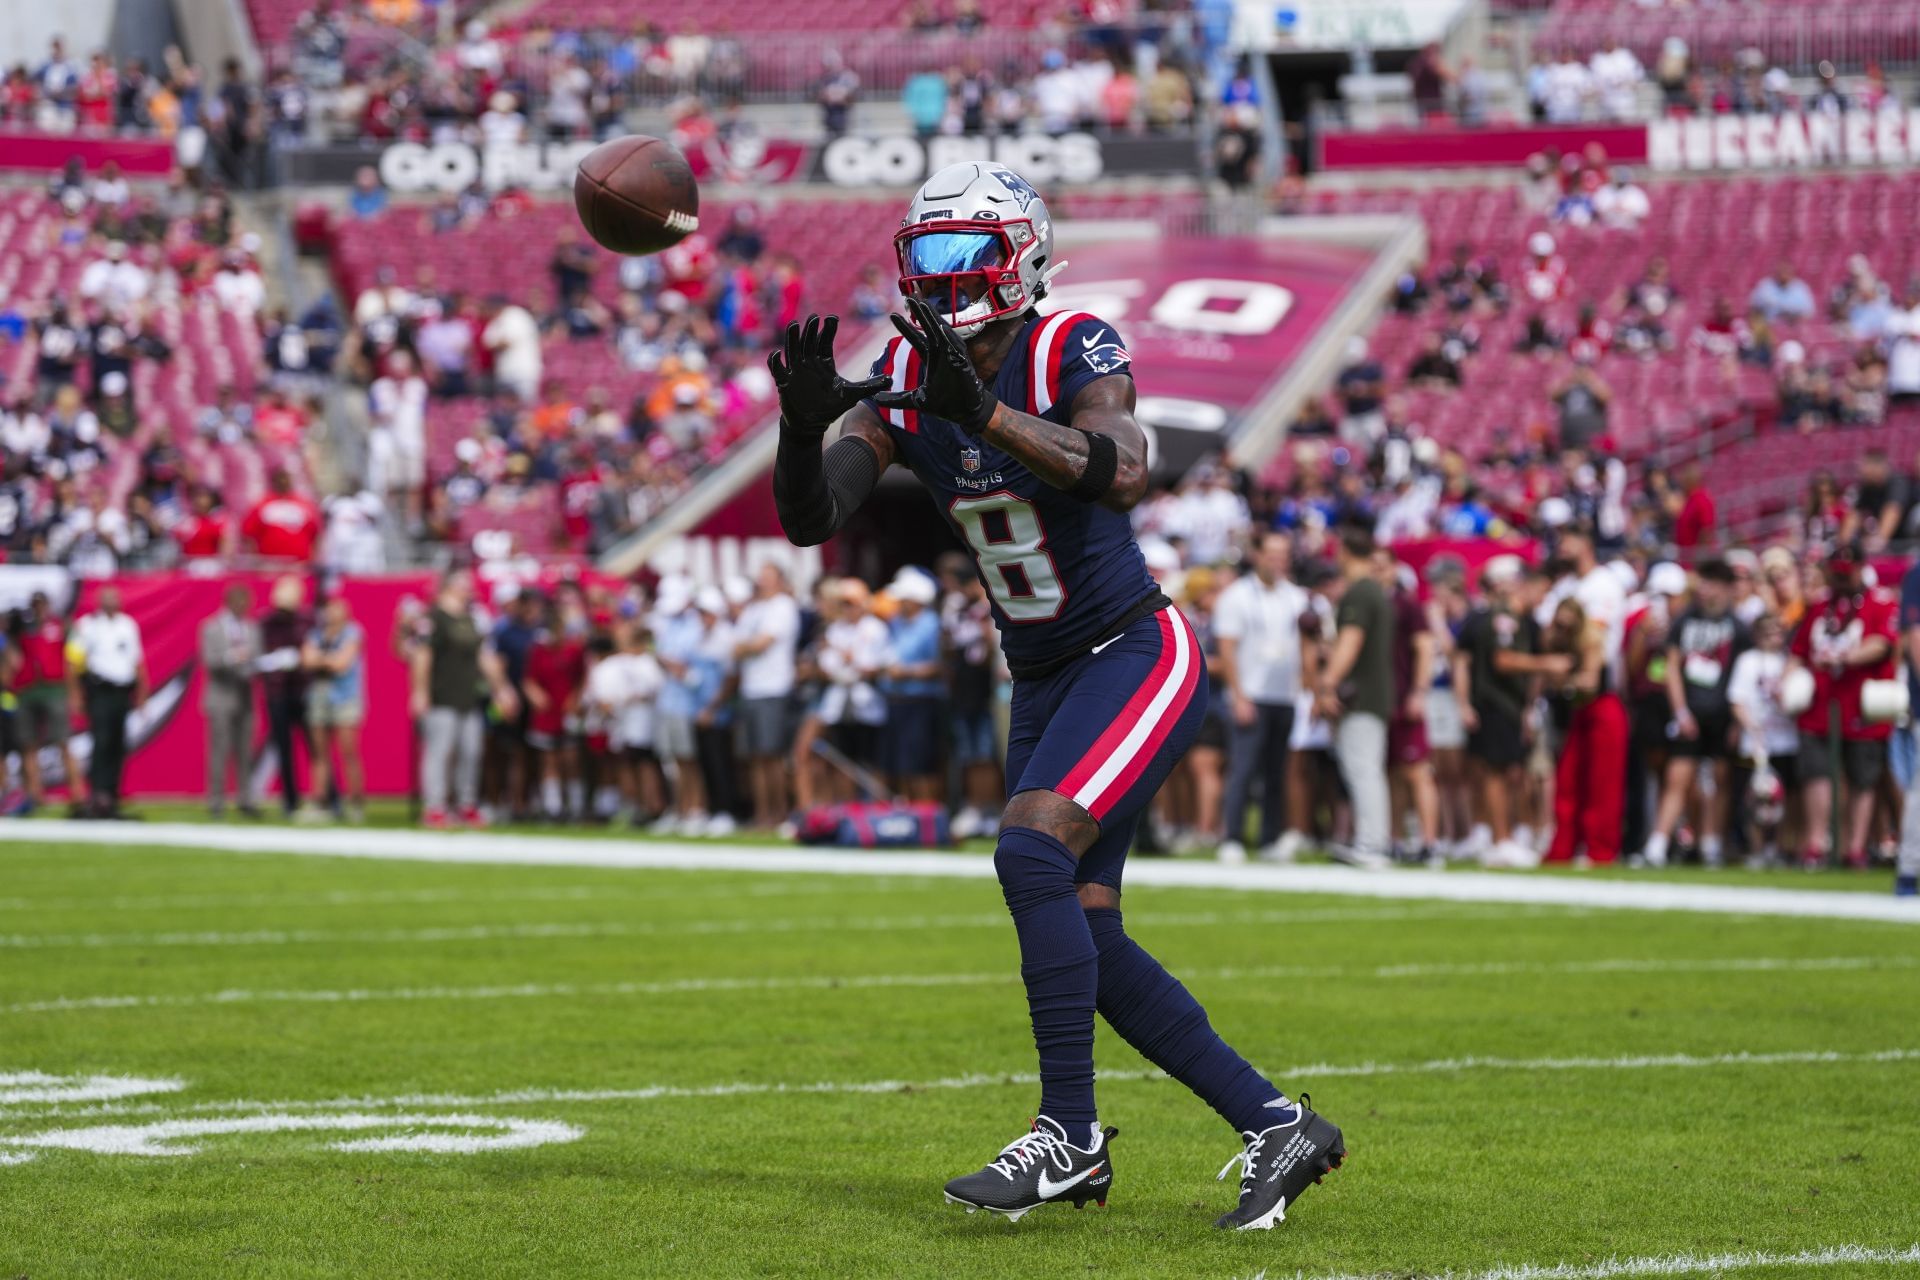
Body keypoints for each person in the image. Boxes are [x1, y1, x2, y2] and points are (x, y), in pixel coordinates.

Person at [768, 161, 1344, 1229]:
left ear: (1019, 256)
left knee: (1029, 852)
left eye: (962, 254)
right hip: (1039, 671)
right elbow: (814, 518)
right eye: (925, 256)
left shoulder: (1068, 342)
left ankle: (1071, 1138)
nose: (940, 279)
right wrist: (803, 431)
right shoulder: (901, 362)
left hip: (1133, 647)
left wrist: (982, 411)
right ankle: (1277, 1122)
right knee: (1091, 929)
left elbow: (1128, 466)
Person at [1789, 553, 1896, 870]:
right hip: (1820, 704)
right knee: (1816, 773)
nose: (1840, 581)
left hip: (1861, 705)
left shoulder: (1879, 602)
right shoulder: (1821, 607)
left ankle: (1856, 847)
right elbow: (1798, 650)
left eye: (1845, 575)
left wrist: (1845, 657)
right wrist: (1787, 680)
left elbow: (1882, 643)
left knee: (1863, 777)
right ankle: (1816, 843)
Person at [1211, 530, 1307, 863]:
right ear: (1258, 555)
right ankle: (1232, 837)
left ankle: (1269, 838)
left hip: (1285, 695)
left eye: (1284, 555)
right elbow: (1226, 649)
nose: (1278, 561)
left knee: (1277, 771)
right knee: (1243, 767)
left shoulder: (1296, 596)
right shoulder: (1237, 596)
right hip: (1251, 693)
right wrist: (1238, 696)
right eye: (1272, 554)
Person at [1647, 561, 1749, 868]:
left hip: (1722, 712)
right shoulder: (1684, 621)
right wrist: (1680, 711)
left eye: (1710, 582)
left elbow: (1743, 675)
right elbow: (1672, 668)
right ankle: (1658, 842)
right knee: (1677, 776)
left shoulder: (1738, 626)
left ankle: (1712, 842)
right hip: (1690, 709)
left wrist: (1736, 721)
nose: (1704, 589)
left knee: (1720, 779)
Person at [1453, 557, 1545, 868]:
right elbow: (1486, 662)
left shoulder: (1524, 620)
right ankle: (1500, 838)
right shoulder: (1489, 619)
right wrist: (1464, 703)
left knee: (1514, 772)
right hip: (1493, 704)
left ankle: (1513, 833)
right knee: (1493, 771)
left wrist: (1531, 707)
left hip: (1513, 705)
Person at [412, 568, 512, 828]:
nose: (470, 588)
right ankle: (435, 806)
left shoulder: (469, 618)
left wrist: (501, 688)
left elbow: (484, 657)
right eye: (464, 584)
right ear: (450, 587)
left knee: (471, 751)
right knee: (440, 751)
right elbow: (422, 656)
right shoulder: (434, 617)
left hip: (468, 696)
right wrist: (420, 691)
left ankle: (466, 804)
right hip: (441, 695)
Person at [1541, 597, 1628, 865]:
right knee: (1567, 781)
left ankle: (1600, 848)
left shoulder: (1591, 640)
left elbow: (1589, 682)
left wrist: (1563, 677)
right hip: (1579, 714)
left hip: (1603, 713)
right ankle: (1564, 845)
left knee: (1602, 785)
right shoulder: (1557, 641)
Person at [67, 585, 147, 818]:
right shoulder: (87, 625)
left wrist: (142, 693)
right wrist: (75, 694)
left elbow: (137, 661)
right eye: (108, 598)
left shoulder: (127, 624)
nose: (113, 602)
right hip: (100, 691)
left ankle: (111, 795)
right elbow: (73, 662)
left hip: (123, 692)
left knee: (117, 744)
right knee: (100, 743)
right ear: (99, 601)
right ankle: (97, 795)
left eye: (116, 598)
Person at [1728, 613, 1799, 868]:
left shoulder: (1790, 662)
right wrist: (1752, 727)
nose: (1773, 636)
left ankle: (1777, 848)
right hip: (1755, 743)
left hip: (1785, 739)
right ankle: (1756, 849)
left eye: (1778, 631)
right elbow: (1737, 700)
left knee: (1784, 798)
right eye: (1767, 631)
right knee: (1754, 799)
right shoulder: (1747, 661)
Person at [732, 563, 801, 827]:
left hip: (774, 688)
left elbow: (761, 644)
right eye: (760, 578)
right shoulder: (754, 609)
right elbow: (736, 647)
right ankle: (762, 815)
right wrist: (748, 646)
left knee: (773, 755)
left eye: (768, 578)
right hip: (751, 688)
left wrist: (747, 646)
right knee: (756, 757)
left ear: (780, 581)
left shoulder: (783, 606)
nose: (762, 582)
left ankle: (781, 813)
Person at [10, 592, 83, 813]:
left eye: (42, 605)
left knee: (63, 742)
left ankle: (77, 793)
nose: (39, 609)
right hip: (27, 688)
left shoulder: (58, 626)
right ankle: (35, 794)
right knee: (28, 744)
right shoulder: (21, 628)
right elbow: (12, 655)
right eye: (35, 606)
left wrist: (73, 692)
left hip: (53, 688)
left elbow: (69, 660)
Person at [300, 593, 366, 823]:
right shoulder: (316, 634)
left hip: (344, 697)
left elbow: (342, 664)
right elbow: (306, 660)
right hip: (319, 696)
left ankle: (356, 803)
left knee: (348, 751)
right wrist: (328, 658)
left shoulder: (353, 632)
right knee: (320, 752)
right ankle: (321, 801)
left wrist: (322, 658)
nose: (332, 613)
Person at [880, 567, 944, 802]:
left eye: (904, 599)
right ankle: (909, 814)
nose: (899, 603)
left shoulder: (932, 624)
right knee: (901, 761)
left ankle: (926, 812)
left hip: (921, 701)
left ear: (916, 600)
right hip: (896, 700)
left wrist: (905, 672)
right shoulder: (896, 623)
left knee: (921, 761)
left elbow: (939, 666)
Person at [199, 583, 261, 819]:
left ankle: (246, 798)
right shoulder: (211, 627)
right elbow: (210, 661)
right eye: (241, 601)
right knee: (219, 751)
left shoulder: (252, 627)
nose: (245, 607)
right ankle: (216, 800)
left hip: (245, 695)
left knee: (246, 751)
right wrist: (234, 657)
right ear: (230, 602)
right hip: (221, 696)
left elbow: (256, 657)